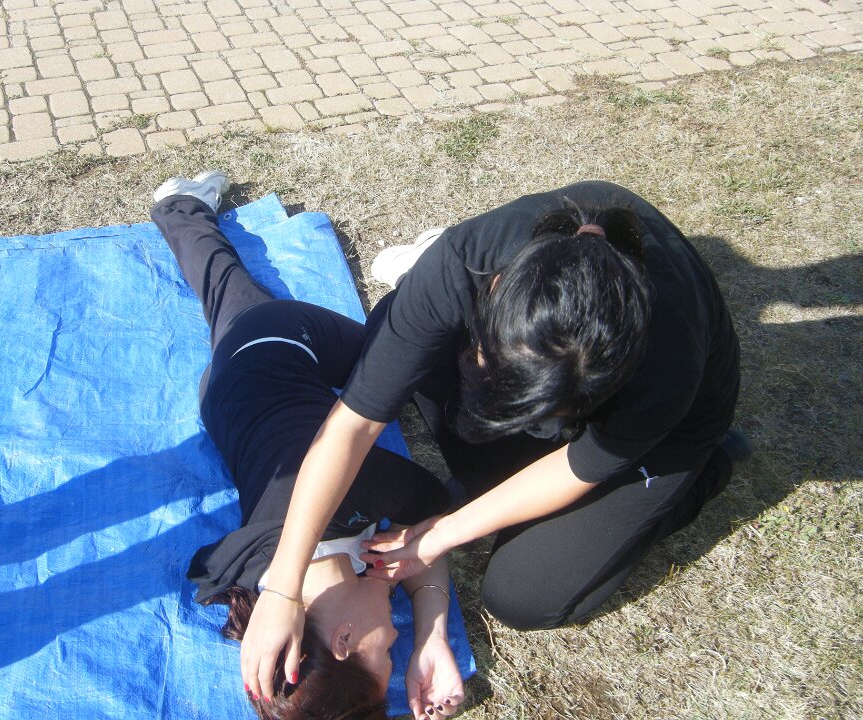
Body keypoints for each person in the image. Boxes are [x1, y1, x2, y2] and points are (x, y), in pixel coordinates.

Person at [240, 180, 748, 700]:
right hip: (522, 337)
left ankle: (700, 474)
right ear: (496, 287)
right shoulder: (460, 265)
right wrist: (282, 585)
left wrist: (441, 535)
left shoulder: (666, 359)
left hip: (667, 433)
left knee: (525, 594)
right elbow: (351, 426)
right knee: (390, 330)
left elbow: (579, 465)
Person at [150, 171, 465, 720]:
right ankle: (177, 205)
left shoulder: (350, 497)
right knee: (220, 290)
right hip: (223, 399)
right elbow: (420, 534)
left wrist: (425, 614)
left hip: (277, 342)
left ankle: (420, 274)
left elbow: (430, 506)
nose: (397, 638)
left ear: (344, 639)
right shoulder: (257, 580)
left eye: (387, 653)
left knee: (401, 354)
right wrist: (431, 638)